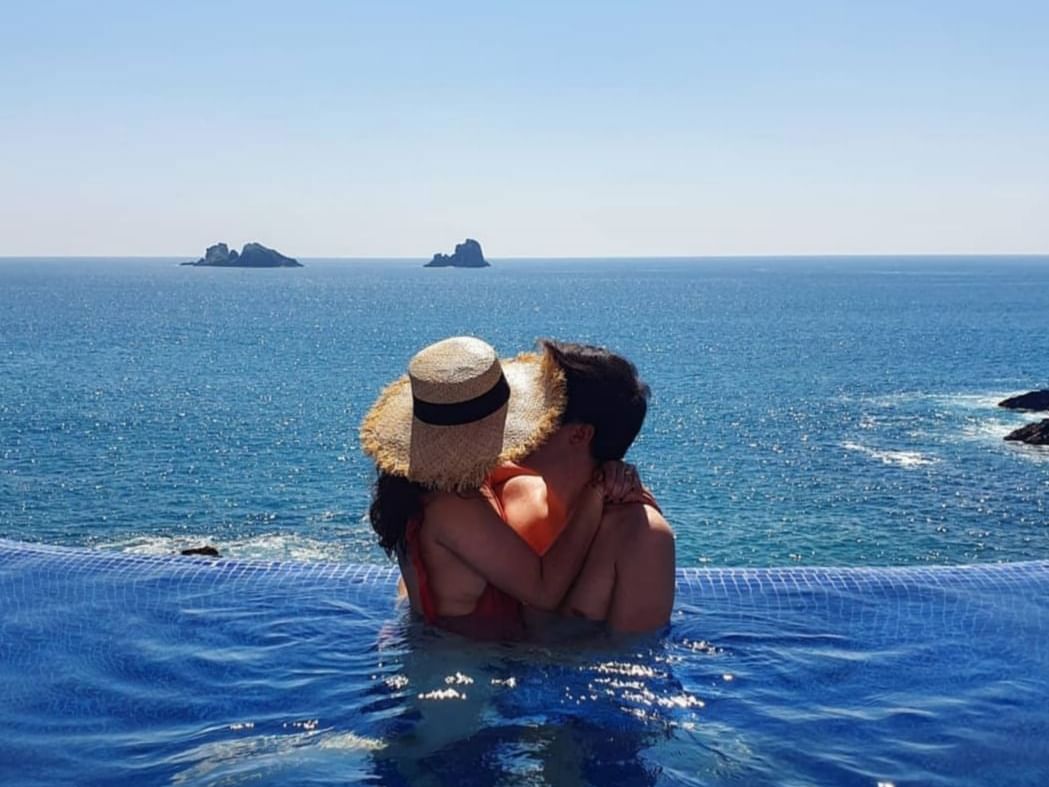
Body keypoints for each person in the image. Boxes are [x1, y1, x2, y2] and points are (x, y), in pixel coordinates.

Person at [361, 336, 643, 641]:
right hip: (467, 672)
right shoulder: (454, 508)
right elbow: (544, 589)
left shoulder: (422, 480)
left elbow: (499, 471)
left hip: (437, 649)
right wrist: (595, 491)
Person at [490, 339, 675, 633]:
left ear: (578, 435)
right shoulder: (507, 491)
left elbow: (638, 662)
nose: (516, 421)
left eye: (536, 413)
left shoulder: (642, 537)